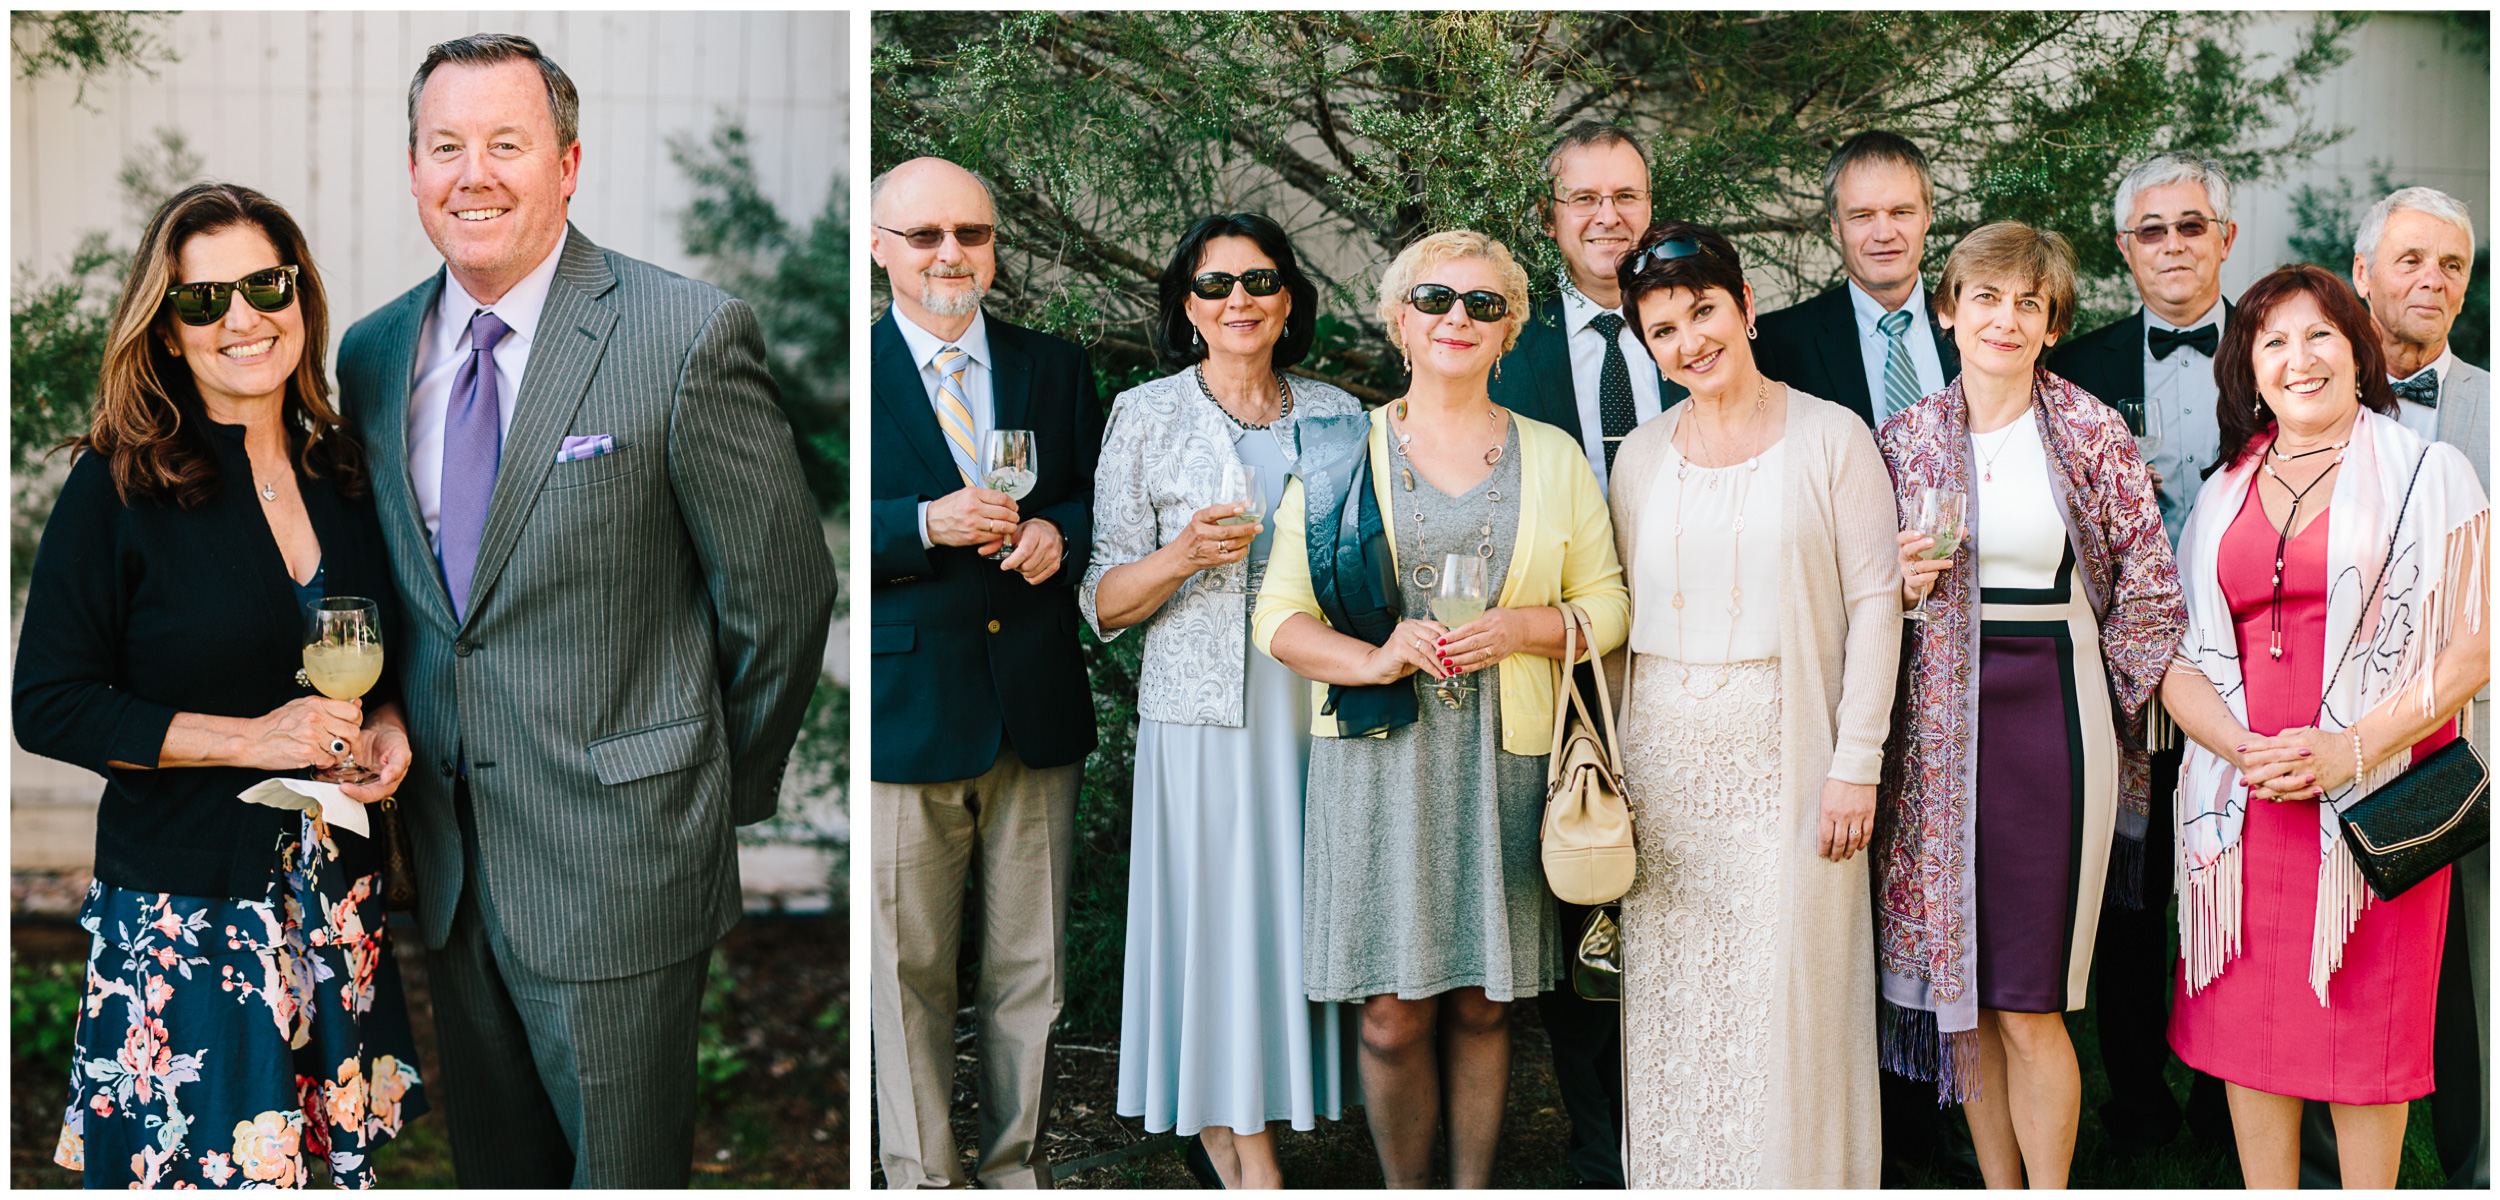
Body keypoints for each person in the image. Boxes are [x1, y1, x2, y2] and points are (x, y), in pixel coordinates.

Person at [335, 34, 837, 1187]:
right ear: (411, 168)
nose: (475, 174)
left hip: (624, 867)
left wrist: (705, 789)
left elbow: (781, 600)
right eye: (445, 146)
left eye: (505, 144)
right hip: (453, 873)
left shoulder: (682, 336)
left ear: (567, 162)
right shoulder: (370, 354)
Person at [15, 183, 429, 1188]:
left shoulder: (347, 473)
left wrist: (387, 726)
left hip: (332, 899)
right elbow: (51, 703)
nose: (241, 317)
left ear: (299, 295)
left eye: (263, 285)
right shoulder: (118, 484)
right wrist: (254, 738)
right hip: (189, 918)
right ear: (165, 332)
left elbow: (382, 659)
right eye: (203, 301)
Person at [1253, 230, 1627, 1188]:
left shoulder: (1553, 457)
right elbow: (1281, 617)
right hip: (1381, 758)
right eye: (1434, 301)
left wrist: (1526, 629)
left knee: (1484, 1005)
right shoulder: (1340, 458)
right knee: (1392, 1012)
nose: (1457, 318)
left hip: (1507, 757)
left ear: (1508, 332)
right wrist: (1377, 657)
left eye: (1483, 305)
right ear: (1398, 323)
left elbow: (1610, 607)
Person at [2161, 264, 2490, 1191]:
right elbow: (2182, 652)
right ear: (2249, 368)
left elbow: (2470, 650)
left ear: (2359, 350)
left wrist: (2345, 750)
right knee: (2249, 1035)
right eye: (2273, 341)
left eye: (2319, 336)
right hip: (2246, 802)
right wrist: (2242, 751)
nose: (2297, 359)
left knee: (2365, 1038)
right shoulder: (2224, 487)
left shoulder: (2431, 471)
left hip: (2372, 798)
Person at [1878, 221, 2185, 1189]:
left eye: (2028, 304)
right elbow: (1851, 596)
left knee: (2030, 999)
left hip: (2053, 719)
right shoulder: (1900, 440)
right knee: (1962, 996)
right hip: (1935, 731)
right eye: (1985, 298)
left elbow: (2150, 590)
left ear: (2051, 324)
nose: (2003, 320)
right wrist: (1888, 585)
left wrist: (2116, 703)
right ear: (1947, 309)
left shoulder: (2092, 430)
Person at [1603, 220, 1900, 1186]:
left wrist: (1854, 763)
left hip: (1789, 753)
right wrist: (1609, 771)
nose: (1690, 340)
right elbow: (1618, 622)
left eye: (1703, 312)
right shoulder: (1640, 458)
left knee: (1788, 999)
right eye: (1663, 330)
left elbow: (1874, 602)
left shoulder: (1831, 437)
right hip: (1665, 768)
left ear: (1746, 309)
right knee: (1679, 1003)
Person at [1083, 213, 1362, 1189]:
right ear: (1185, 307)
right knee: (1211, 937)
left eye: (1257, 281)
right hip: (1200, 720)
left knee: (1292, 927)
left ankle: (1275, 1129)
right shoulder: (1146, 413)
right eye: (1213, 286)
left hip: (1318, 715)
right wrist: (1181, 556)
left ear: (1289, 299)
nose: (1236, 300)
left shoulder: (1338, 417)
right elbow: (1104, 602)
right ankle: (1250, 1165)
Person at [866, 155, 1102, 1189]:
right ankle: (924, 1177)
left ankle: (1012, 1171)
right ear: (880, 249)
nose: (951, 254)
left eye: (972, 234)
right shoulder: (848, 367)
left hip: (1035, 707)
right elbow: (801, 530)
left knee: (1029, 976)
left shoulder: (1053, 367)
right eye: (925, 236)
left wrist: (1061, 533)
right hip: (905, 709)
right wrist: (920, 523)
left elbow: (1099, 499)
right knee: (904, 974)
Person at [2044, 151, 2242, 1156]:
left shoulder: (2279, 351)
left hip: (2245, 677)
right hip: (2112, 681)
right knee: (2129, 901)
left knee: (2231, 893)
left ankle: (2225, 1097)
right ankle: (2134, 1098)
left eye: (2190, 225)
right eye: (2151, 229)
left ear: (2224, 239)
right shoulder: (2072, 368)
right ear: (2124, 247)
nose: (2172, 244)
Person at [1484, 118, 1660, 1188]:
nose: (1607, 216)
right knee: (1580, 890)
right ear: (1549, 218)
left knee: (1683, 887)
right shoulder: (1507, 344)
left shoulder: (1705, 325)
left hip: (1690, 660)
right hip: (1559, 665)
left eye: (1625, 195)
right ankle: (1601, 1145)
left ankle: (1682, 1119)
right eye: (1583, 198)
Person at [2350, 185, 2489, 1189]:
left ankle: (2478, 1157)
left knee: (2476, 965)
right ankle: (2325, 1159)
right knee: (2343, 947)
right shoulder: (2310, 393)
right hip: (2339, 732)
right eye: (2410, 260)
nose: (2430, 280)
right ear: (2362, 275)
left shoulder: (2490, 404)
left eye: (2450, 266)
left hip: (2473, 728)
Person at [1755, 130, 1963, 428]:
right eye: (1862, 216)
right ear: (1836, 226)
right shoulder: (1778, 344)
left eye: (1901, 212)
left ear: (1927, 217)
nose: (1884, 234)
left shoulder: (1974, 328)